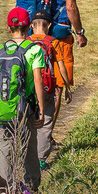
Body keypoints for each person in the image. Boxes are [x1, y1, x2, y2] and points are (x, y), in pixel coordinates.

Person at [0, 7, 49, 193]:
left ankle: (5, 191)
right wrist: (41, 108)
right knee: (29, 146)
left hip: (4, 109)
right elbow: (38, 80)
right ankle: (32, 185)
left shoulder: (0, 50)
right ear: (29, 27)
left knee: (5, 149)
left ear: (8, 28)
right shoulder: (34, 50)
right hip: (26, 109)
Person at [46, 0, 90, 108]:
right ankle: (49, 126)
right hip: (60, 33)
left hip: (41, 29)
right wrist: (80, 32)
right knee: (58, 84)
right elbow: (70, 7)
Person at [28, 11, 60, 172]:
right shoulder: (53, 42)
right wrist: (66, 86)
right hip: (46, 87)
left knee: (28, 121)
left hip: (29, 87)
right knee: (46, 122)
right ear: (49, 25)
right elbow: (60, 65)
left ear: (31, 26)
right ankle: (41, 160)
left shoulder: (26, 42)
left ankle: (26, 156)